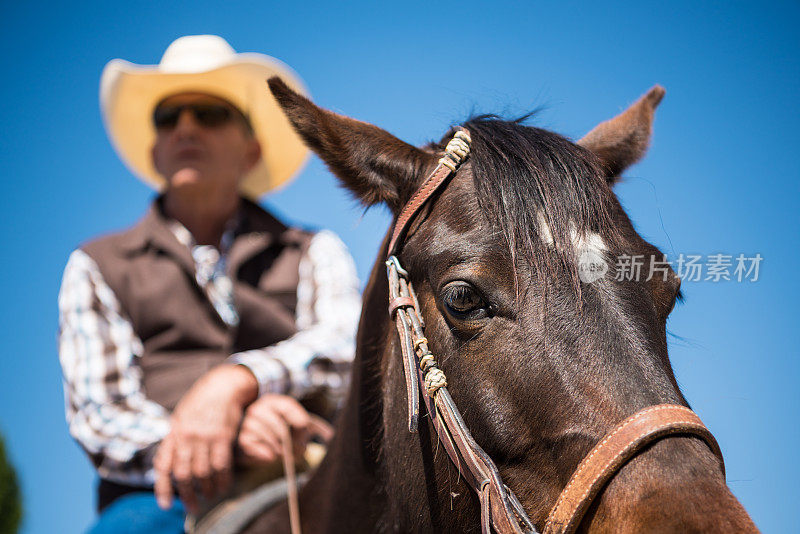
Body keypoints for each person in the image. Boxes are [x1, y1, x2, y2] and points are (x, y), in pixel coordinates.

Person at [57, 35, 361, 533]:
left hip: (308, 472)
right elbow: (101, 416)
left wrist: (238, 381)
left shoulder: (312, 249)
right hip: (158, 500)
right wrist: (224, 439)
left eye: (211, 114)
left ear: (251, 150)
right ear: (156, 149)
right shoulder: (96, 264)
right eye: (168, 117)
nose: (186, 128)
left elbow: (348, 348)